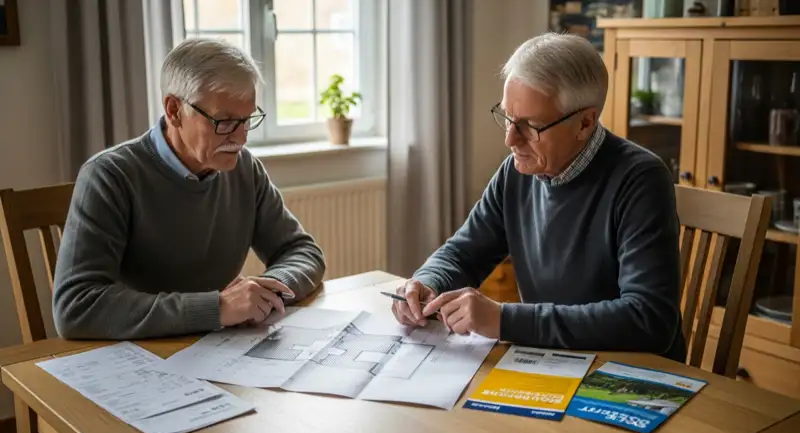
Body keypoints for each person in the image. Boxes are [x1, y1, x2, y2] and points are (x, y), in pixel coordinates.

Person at [390, 33, 686, 362]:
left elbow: (649, 320)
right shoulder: (516, 173)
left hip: (628, 372)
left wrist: (504, 319)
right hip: (551, 362)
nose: (510, 139)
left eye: (530, 126)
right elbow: (463, 253)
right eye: (507, 117)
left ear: (585, 122)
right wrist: (427, 282)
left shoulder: (641, 179)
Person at [53, 38, 326, 340]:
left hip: (218, 345)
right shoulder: (109, 176)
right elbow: (75, 306)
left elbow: (302, 251)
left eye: (247, 120)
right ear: (174, 110)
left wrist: (268, 290)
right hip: (138, 352)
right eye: (224, 122)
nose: (241, 138)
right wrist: (217, 308)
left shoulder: (245, 169)